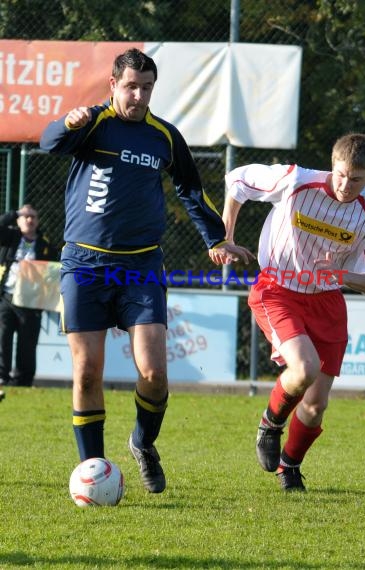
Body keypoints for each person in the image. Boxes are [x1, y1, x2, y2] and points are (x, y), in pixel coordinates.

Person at [39, 47, 253, 494]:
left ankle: (142, 442)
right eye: (131, 86)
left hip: (141, 265)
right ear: (113, 85)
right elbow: (49, 143)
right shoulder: (94, 123)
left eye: (147, 87)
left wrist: (216, 238)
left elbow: (191, 189)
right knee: (86, 371)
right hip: (84, 263)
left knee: (154, 373)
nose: (138, 96)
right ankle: (93, 470)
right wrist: (68, 123)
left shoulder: (164, 137)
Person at [223, 133, 365, 492]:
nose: (346, 185)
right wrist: (225, 237)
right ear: (333, 165)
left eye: (357, 179)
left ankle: (290, 466)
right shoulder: (296, 180)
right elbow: (237, 180)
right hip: (278, 290)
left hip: (327, 301)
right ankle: (270, 424)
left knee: (316, 405)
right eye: (341, 174)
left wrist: (342, 275)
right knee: (304, 368)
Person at [0, 205, 57, 387]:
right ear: (18, 220)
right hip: (6, 297)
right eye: (25, 216)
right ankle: (2, 376)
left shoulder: (45, 244)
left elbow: (54, 270)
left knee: (27, 343)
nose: (29, 220)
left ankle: (23, 380)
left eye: (33, 217)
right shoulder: (9, 237)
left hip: (32, 301)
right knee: (2, 338)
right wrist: (14, 213)